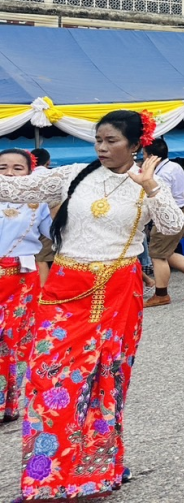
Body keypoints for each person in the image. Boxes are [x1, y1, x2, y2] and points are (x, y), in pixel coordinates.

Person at [0, 110, 183, 500]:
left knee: (106, 381)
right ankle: (46, 479)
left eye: (112, 141)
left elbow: (170, 227)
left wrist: (151, 187)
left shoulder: (150, 183)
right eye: (98, 139)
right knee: (47, 379)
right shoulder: (72, 175)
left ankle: (99, 469)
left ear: (136, 145)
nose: (101, 147)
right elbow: (14, 190)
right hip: (65, 289)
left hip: (119, 291)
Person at [0, 149, 51, 424]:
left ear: (29, 173)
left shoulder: (38, 202)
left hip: (20, 279)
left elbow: (56, 233)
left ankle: (10, 404)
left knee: (15, 343)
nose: (9, 173)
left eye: (17, 168)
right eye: (3, 167)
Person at [144, 136, 184, 307]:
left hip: (169, 215)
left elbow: (159, 198)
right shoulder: (175, 166)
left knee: (157, 254)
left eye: (144, 154)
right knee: (166, 252)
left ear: (151, 157)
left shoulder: (161, 174)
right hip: (182, 211)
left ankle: (161, 294)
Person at [29, 149, 56, 286]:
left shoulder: (25, 176)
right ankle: (43, 292)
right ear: (48, 161)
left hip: (29, 221)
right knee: (43, 258)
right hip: (51, 220)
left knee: (38, 258)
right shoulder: (54, 175)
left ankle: (40, 290)